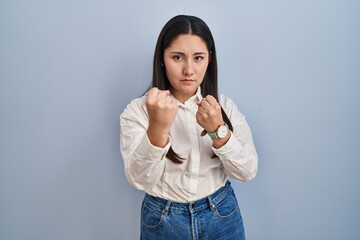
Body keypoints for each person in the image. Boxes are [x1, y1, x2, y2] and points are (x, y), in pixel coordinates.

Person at [120, 15, 258, 240]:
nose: (189, 70)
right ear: (162, 59)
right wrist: (157, 128)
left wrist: (218, 130)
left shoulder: (224, 107)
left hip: (221, 216)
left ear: (209, 59)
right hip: (162, 220)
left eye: (198, 58)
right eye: (177, 57)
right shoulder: (137, 112)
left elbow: (247, 172)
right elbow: (140, 180)